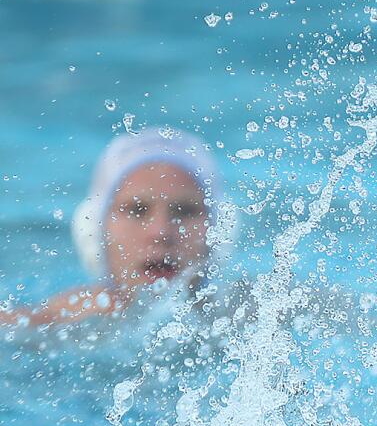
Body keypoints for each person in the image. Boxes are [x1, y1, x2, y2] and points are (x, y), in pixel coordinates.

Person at [1, 126, 232, 328]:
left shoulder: (242, 313)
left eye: (184, 211)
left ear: (219, 231)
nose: (161, 233)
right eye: (137, 210)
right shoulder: (61, 321)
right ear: (94, 229)